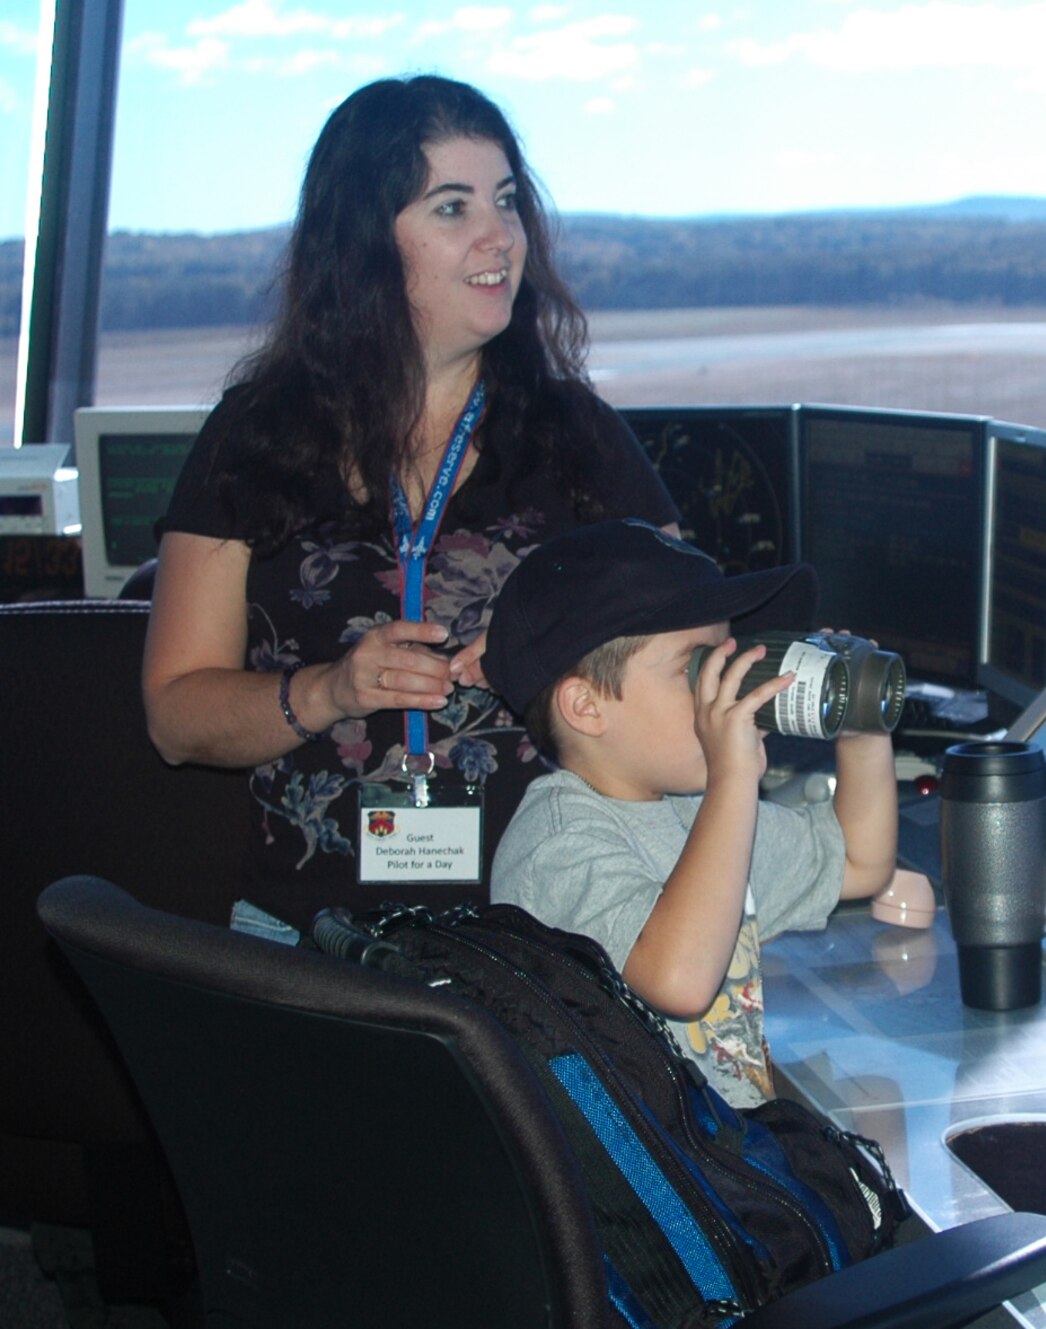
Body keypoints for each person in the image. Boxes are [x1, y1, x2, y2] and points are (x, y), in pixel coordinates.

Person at [142, 76, 680, 928]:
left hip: (548, 934)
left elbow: (696, 664)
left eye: (506, 202)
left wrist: (545, 647)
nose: (500, 235)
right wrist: (329, 691)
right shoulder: (254, 437)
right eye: (452, 208)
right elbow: (175, 714)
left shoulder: (578, 438)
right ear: (364, 241)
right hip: (312, 945)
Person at [482, 519, 922, 1108]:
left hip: (720, 1149)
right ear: (586, 706)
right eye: (695, 670)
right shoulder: (557, 844)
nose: (726, 692)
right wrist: (733, 776)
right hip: (647, 1178)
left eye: (726, 660)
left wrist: (861, 724)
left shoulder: (694, 812)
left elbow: (860, 863)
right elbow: (677, 981)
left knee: (884, 1114)